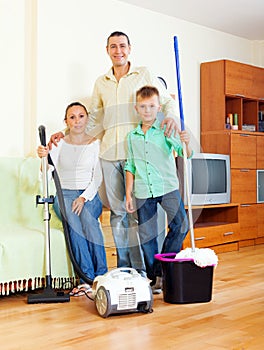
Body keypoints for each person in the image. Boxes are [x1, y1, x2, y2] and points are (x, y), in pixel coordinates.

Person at [49, 31, 179, 276]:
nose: (118, 50)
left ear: (129, 48)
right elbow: (93, 117)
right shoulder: (101, 82)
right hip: (109, 154)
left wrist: (171, 116)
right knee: (118, 214)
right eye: (113, 47)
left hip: (138, 155)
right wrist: (65, 132)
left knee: (141, 214)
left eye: (122, 46)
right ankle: (123, 268)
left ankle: (147, 271)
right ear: (107, 50)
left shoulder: (143, 74)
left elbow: (164, 102)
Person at [125, 86, 192, 294]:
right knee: (147, 235)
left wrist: (186, 142)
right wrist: (128, 193)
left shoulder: (166, 129)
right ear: (137, 108)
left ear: (159, 107)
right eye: (143, 107)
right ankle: (155, 277)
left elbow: (185, 153)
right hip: (143, 191)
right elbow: (130, 166)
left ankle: (163, 267)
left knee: (181, 226)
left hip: (168, 187)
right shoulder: (132, 136)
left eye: (152, 106)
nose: (147, 111)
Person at [37, 102, 107, 295]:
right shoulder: (58, 144)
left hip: (88, 194)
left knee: (87, 219)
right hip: (64, 193)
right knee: (75, 222)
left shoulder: (95, 144)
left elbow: (97, 177)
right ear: (66, 121)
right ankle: (86, 278)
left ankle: (101, 276)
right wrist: (43, 158)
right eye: (72, 117)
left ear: (87, 118)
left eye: (81, 116)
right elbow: (47, 173)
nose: (77, 121)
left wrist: (83, 198)